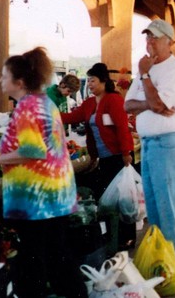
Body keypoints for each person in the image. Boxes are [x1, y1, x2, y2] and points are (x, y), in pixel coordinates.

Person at [0, 47, 87, 298]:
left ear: (18, 82)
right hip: (54, 196)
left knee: (37, 264)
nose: (0, 80)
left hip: (38, 200)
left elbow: (33, 150)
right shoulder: (43, 102)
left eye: (4, 76)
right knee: (56, 259)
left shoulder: (28, 107)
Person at [124, 19, 175, 289]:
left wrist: (145, 80)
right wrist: (151, 104)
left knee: (171, 210)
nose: (149, 42)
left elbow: (160, 103)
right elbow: (129, 104)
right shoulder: (146, 70)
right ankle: (162, 266)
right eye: (147, 37)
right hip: (151, 145)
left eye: (155, 38)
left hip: (170, 144)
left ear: (170, 42)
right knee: (154, 210)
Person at [60, 62, 136, 250]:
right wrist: (48, 113)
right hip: (103, 157)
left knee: (123, 197)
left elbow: (122, 128)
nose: (90, 85)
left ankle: (127, 236)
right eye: (90, 81)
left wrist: (126, 153)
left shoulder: (114, 100)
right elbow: (72, 117)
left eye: (93, 81)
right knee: (108, 197)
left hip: (118, 155)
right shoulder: (89, 103)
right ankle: (112, 235)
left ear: (103, 81)